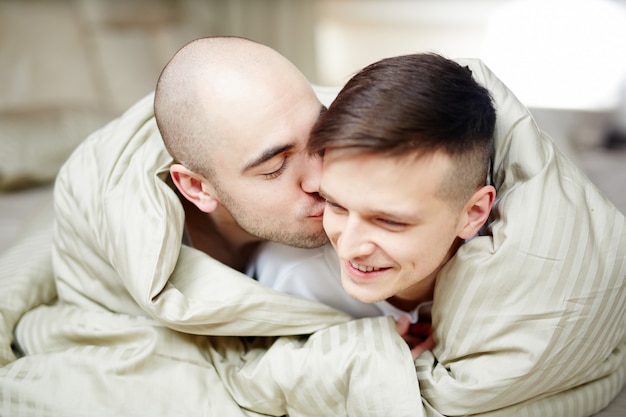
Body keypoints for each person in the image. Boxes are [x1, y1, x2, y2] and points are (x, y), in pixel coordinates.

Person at [1, 37, 422, 416]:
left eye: (319, 137)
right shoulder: (123, 214)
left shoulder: (327, 152)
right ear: (197, 188)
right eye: (275, 167)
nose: (319, 179)